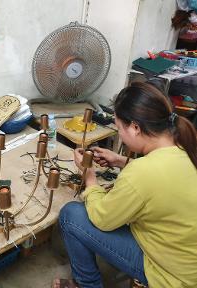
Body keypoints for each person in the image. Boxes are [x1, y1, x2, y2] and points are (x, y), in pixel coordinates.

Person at [54, 82, 197, 288]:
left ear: (135, 128)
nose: (119, 134)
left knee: (72, 214)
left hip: (169, 275)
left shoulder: (141, 174)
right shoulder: (186, 146)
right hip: (187, 263)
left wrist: (90, 178)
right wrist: (121, 161)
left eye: (119, 128)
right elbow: (160, 179)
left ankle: (87, 285)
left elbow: (102, 219)